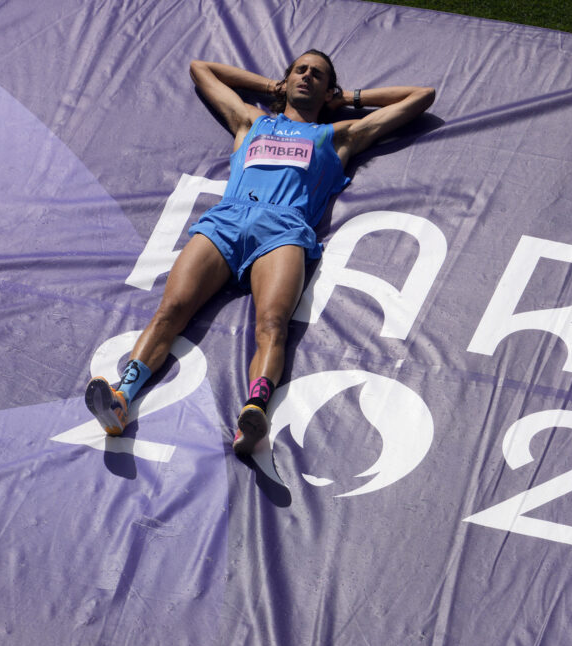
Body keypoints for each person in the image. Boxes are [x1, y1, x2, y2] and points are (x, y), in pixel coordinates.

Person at [84, 49, 435, 455]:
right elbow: (202, 69)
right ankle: (121, 398)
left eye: (317, 76)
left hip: (283, 230)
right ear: (285, 81)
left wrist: (349, 98)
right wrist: (272, 86)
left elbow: (421, 96)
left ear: (327, 91)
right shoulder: (250, 121)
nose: (306, 76)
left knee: (272, 324)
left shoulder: (337, 135)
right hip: (225, 222)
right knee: (170, 309)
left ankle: (254, 413)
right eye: (300, 70)